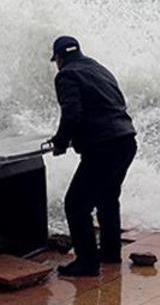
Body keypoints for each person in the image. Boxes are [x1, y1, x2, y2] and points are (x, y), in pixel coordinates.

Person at [48, 35, 137, 277]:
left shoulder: (66, 75)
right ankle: (110, 253)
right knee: (108, 198)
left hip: (104, 147)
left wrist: (60, 142)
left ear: (59, 58)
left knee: (76, 204)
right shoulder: (99, 69)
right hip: (126, 140)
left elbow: (72, 113)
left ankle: (87, 263)